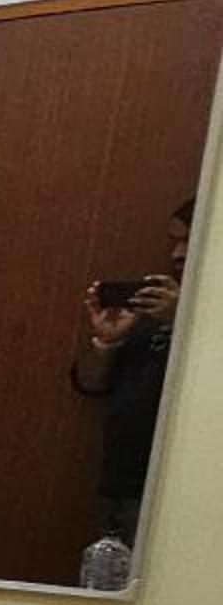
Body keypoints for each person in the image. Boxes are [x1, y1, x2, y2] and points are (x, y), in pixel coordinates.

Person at [71, 197, 195, 543]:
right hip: (124, 486)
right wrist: (106, 342)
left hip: (186, 492)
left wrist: (182, 321)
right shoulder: (149, 313)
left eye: (188, 240)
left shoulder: (200, 316)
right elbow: (91, 383)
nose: (177, 254)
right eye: (174, 242)